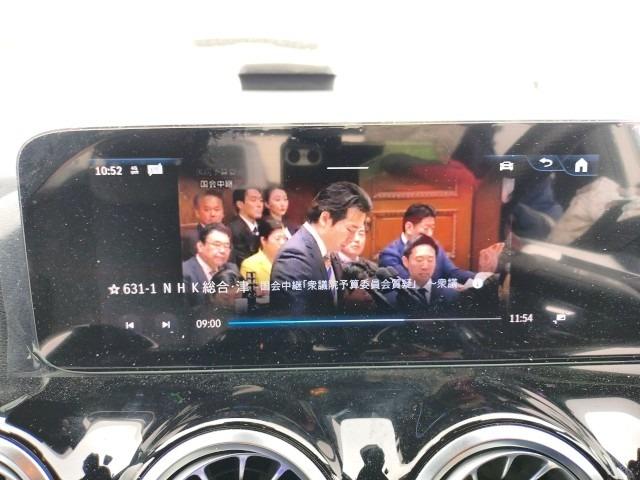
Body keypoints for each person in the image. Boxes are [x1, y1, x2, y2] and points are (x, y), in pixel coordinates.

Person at [270, 181, 372, 316]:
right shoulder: (294, 257)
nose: (353, 238)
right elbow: (297, 323)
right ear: (325, 218)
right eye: (350, 229)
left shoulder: (330, 251)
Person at [379, 203, 476, 282]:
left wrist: (479, 278)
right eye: (426, 229)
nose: (430, 234)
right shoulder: (390, 255)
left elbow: (452, 272)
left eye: (432, 228)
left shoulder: (434, 245)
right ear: (409, 227)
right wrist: (449, 288)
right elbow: (411, 284)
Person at [389, 234, 460, 315]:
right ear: (406, 262)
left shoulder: (451, 296)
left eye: (430, 260)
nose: (425, 266)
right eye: (419, 260)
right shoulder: (392, 298)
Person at [182, 223, 239, 306]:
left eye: (227, 246)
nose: (223, 251)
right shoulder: (185, 273)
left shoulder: (231, 269)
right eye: (217, 245)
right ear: (200, 246)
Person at [240, 217, 288, 288]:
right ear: (263, 240)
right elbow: (251, 292)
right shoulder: (249, 265)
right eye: (277, 239)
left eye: (285, 238)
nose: (283, 242)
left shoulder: (289, 261)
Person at [181, 189, 225, 259]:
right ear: (197, 213)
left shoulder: (228, 234)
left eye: (216, 209)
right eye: (207, 210)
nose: (213, 214)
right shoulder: (191, 239)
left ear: (223, 213)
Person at [228, 188, 264, 267]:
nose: (259, 205)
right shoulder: (232, 230)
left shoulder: (264, 226)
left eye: (261, 200)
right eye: (253, 200)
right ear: (240, 204)